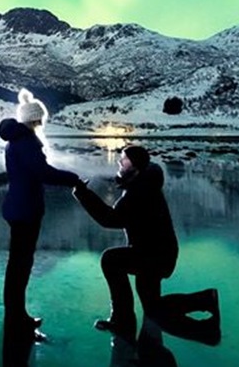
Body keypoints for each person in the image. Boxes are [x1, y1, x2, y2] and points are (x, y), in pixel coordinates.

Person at [0, 88, 82, 337]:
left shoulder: (19, 141)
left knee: (18, 264)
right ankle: (17, 318)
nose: (42, 122)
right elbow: (43, 172)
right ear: (35, 119)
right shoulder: (26, 142)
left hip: (18, 206)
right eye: (41, 118)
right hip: (25, 210)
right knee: (20, 266)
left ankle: (15, 315)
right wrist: (74, 178)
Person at [72, 145, 179, 341]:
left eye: (125, 159)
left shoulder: (139, 190)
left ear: (136, 165)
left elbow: (110, 219)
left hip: (153, 256)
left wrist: (82, 193)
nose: (120, 162)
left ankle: (122, 321)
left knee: (111, 260)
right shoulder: (145, 184)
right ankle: (205, 299)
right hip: (157, 254)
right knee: (152, 306)